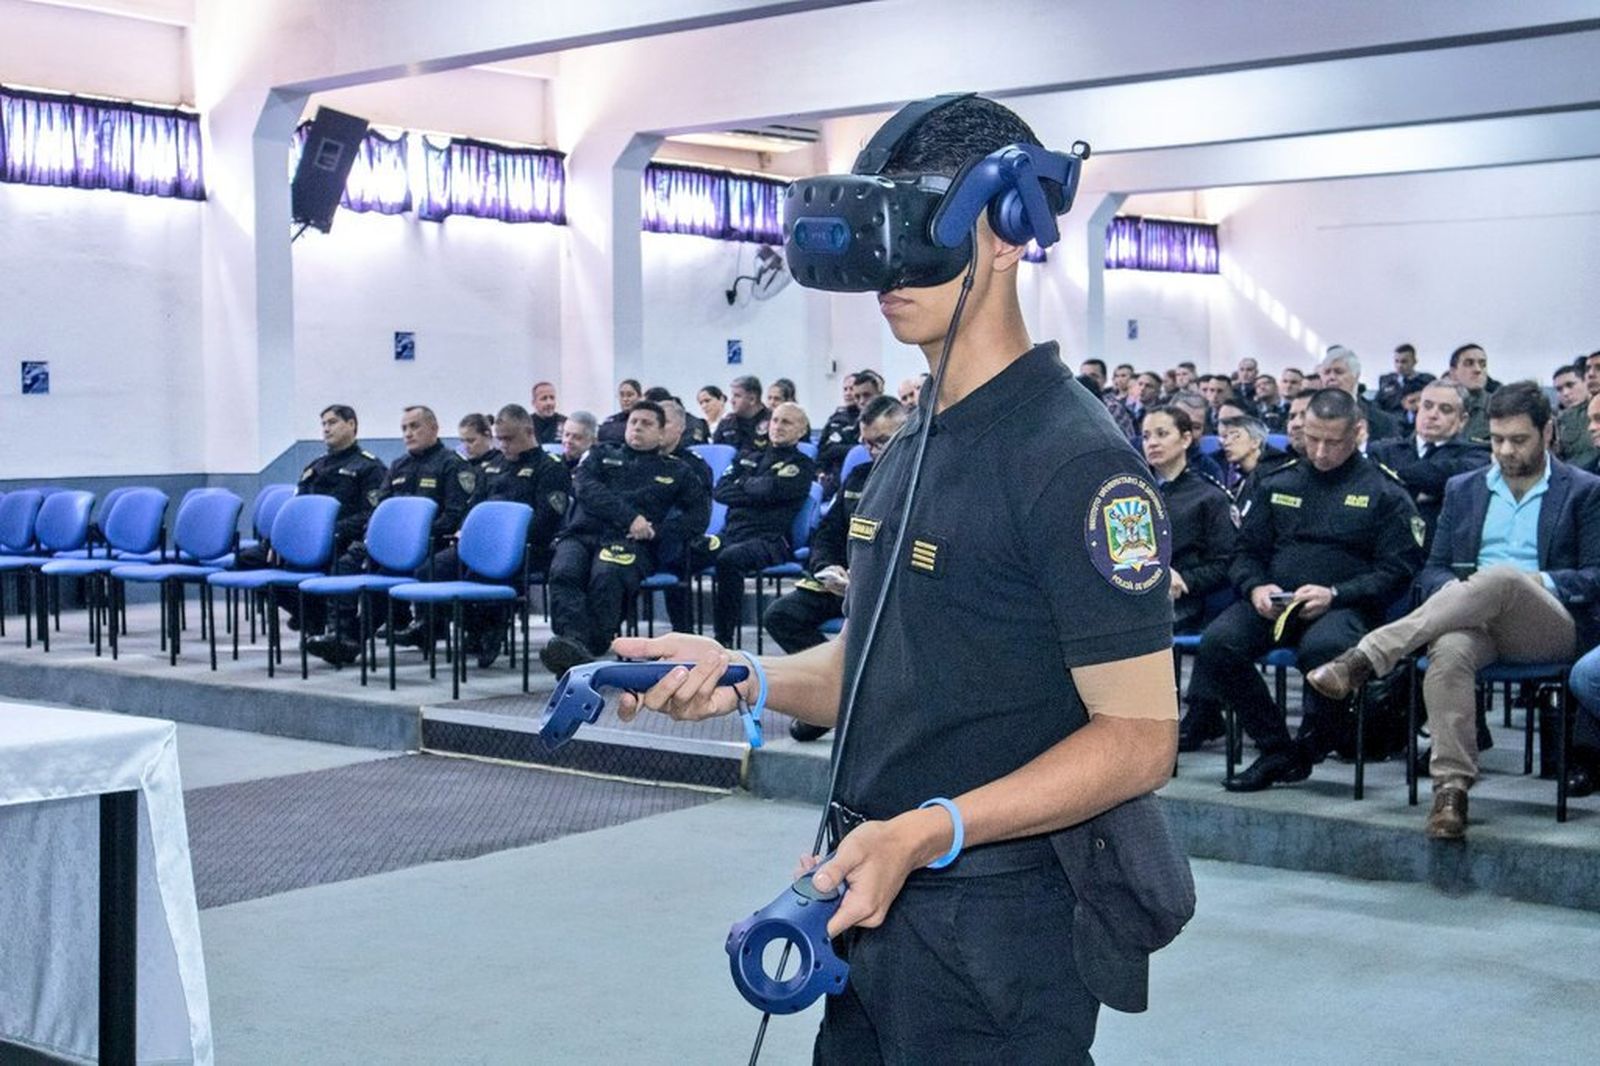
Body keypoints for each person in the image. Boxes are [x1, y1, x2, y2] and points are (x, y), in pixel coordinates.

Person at [611, 94, 1190, 1062]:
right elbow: (881, 659)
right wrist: (745, 673)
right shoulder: (913, 436)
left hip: (999, 924)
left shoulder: (1076, 460)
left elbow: (1139, 741)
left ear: (1005, 232)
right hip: (873, 886)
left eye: (923, 230)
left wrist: (932, 828)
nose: (890, 272)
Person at [1309, 382, 1600, 839]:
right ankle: (1451, 790)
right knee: (1448, 650)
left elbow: (1595, 577)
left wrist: (1531, 582)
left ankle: (1367, 656)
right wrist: (1457, 591)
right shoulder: (1463, 488)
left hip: (1550, 624)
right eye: (1498, 439)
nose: (1505, 450)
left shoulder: (1584, 490)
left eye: (1518, 440)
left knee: (1503, 577)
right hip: (1473, 619)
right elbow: (1434, 569)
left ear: (1548, 432)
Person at [1191, 388, 1422, 792]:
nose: (1320, 451)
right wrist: (1256, 586)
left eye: (1333, 442)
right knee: (1217, 644)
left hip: (1344, 605)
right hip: (1276, 602)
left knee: (1323, 652)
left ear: (1358, 433)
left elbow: (1397, 571)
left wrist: (1337, 593)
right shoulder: (1280, 480)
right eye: (1312, 438)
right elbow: (1245, 552)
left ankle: (1310, 746)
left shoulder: (1384, 492)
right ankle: (1277, 747)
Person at [768, 396, 908, 743]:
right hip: (844, 583)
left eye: (881, 441)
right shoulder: (859, 477)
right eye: (865, 443)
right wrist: (826, 566)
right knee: (781, 615)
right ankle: (835, 694)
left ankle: (843, 700)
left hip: (891, 588)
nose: (872, 450)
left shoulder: (921, 481)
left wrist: (867, 580)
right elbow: (827, 534)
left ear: (906, 434)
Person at [540, 401, 710, 675]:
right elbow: (586, 488)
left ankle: (586, 644)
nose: (638, 428)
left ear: (662, 432)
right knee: (564, 571)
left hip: (630, 543)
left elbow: (698, 516)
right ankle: (573, 643)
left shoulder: (675, 470)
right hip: (583, 534)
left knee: (606, 575)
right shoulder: (600, 454)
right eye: (633, 422)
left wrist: (656, 531)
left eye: (647, 423)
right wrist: (630, 517)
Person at [307, 405, 476, 664]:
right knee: (347, 563)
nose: (408, 433)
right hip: (392, 545)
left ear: (434, 428)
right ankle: (340, 633)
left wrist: (413, 536)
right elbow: (378, 511)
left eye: (414, 426)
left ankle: (353, 638)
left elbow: (453, 516)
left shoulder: (451, 464)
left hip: (431, 543)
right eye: (404, 428)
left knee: (387, 575)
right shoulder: (399, 465)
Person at [247, 404, 387, 633]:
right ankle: (311, 614)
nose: (326, 429)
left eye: (332, 422)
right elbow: (295, 510)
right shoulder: (315, 466)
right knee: (246, 561)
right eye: (323, 424)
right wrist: (277, 540)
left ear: (351, 425)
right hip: (304, 541)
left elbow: (371, 514)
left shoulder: (368, 467)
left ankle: (334, 629)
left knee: (340, 566)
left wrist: (327, 531)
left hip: (340, 540)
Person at [451, 404, 571, 667]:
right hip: (484, 548)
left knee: (489, 570)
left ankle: (492, 630)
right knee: (437, 567)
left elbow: (546, 519)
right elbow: (474, 506)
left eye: (508, 439)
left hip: (530, 548)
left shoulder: (549, 467)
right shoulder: (492, 466)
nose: (502, 445)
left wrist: (505, 544)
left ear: (528, 432)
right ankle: (470, 629)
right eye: (499, 438)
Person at [700, 402, 818, 646]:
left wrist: (744, 485)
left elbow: (775, 491)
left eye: (786, 422)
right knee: (686, 550)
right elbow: (721, 491)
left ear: (801, 430)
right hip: (731, 534)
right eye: (775, 420)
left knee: (729, 559)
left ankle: (723, 639)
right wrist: (757, 489)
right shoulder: (747, 456)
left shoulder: (801, 465)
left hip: (770, 541)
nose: (778, 426)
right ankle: (684, 635)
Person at [1368, 380, 1491, 553]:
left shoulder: (1476, 455)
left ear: (1462, 420)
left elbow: (1441, 474)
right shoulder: (1383, 450)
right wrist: (1429, 492)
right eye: (1427, 406)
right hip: (1383, 549)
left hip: (1439, 553)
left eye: (1445, 409)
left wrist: (1394, 476)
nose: (1433, 414)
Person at [1320, 346, 1401, 441]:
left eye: (1339, 372)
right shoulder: (1309, 414)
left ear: (1356, 376)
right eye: (1326, 372)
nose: (1331, 377)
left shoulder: (1384, 422)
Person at [1219, 415, 1289, 504]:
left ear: (1255, 442)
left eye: (1236, 436)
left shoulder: (1277, 475)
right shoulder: (1240, 480)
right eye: (1225, 437)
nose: (1226, 443)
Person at [1552, 361, 1596, 470]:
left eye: (1570, 385)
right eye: (1559, 389)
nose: (1565, 393)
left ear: (1586, 382)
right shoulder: (1554, 421)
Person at [712, 374, 771, 454]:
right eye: (732, 395)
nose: (732, 401)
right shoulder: (726, 423)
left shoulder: (774, 422)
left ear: (752, 399)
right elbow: (715, 453)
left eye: (737, 396)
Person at [1450, 343, 1494, 443]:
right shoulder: (1438, 407)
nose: (1478, 370)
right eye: (1469, 363)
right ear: (1453, 372)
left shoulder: (1499, 408)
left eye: (1483, 364)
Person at [1375, 344, 1434, 414]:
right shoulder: (1386, 381)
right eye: (1396, 361)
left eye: (1404, 362)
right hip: (1391, 421)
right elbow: (1377, 404)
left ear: (1414, 361)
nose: (1399, 365)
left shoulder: (1427, 380)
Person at [597, 378, 643, 444]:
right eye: (622, 395)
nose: (625, 399)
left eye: (629, 395)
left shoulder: (643, 421)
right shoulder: (610, 421)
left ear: (639, 397)